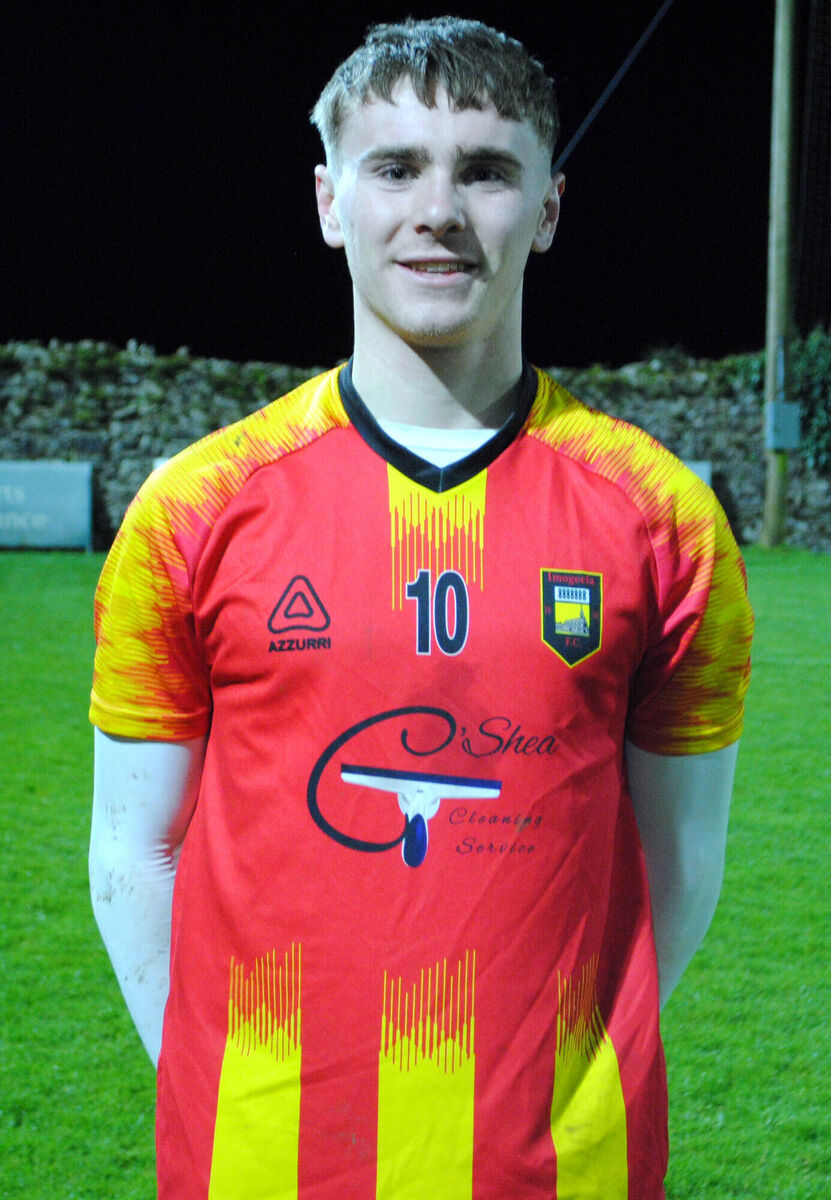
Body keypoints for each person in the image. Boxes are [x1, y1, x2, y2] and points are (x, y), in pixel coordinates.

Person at [89, 16, 753, 1200]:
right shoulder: (194, 507)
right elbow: (133, 852)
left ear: (548, 208)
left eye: (487, 170)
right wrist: (215, 1071)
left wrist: (563, 1074)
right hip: (257, 1159)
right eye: (395, 167)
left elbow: (679, 863)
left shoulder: (665, 519)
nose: (438, 209)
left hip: (563, 1169)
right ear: (330, 202)